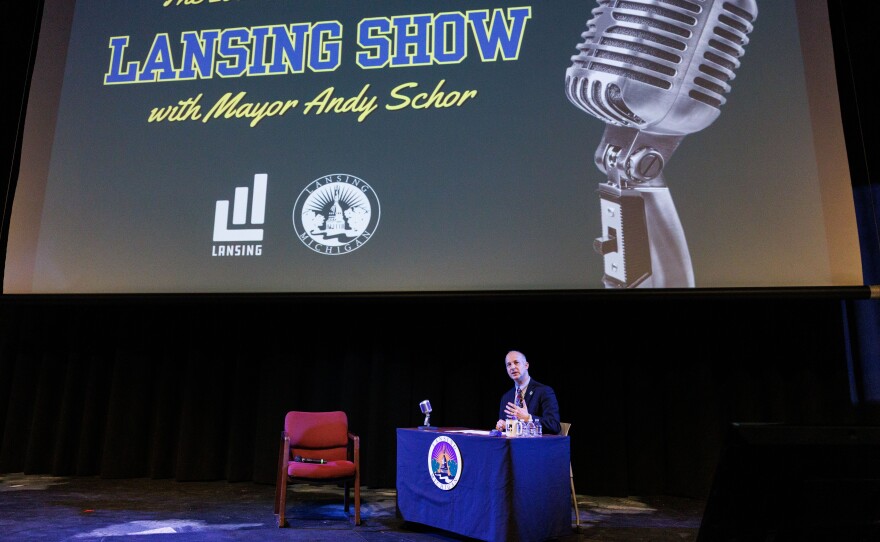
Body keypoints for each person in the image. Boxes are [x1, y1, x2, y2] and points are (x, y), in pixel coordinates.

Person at [495, 350, 561, 435]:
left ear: (526, 365)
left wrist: (528, 418)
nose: (512, 367)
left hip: (536, 446)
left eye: (516, 362)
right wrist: (502, 426)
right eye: (509, 364)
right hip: (512, 446)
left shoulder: (544, 391)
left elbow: (554, 426)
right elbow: (508, 432)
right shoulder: (506, 397)